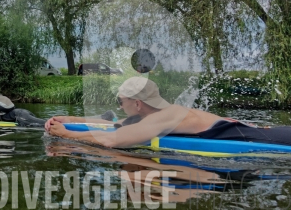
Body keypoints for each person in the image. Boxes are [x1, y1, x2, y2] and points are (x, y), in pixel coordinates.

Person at [46, 76, 291, 147]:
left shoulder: (164, 116)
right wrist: (72, 120)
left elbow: (113, 139)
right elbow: (117, 123)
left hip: (274, 139)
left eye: (121, 101)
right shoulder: (160, 114)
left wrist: (67, 135)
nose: (120, 106)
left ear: (137, 103)